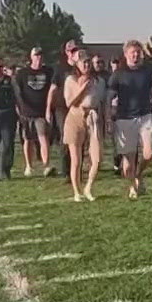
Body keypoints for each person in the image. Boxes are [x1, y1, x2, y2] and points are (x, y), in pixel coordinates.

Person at [108, 40, 152, 198]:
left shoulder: (147, 72)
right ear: (126, 55)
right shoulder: (118, 74)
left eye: (138, 52)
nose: (136, 55)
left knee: (149, 153)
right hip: (125, 119)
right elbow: (109, 96)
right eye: (133, 52)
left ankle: (138, 174)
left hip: (145, 116)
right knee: (128, 162)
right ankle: (133, 185)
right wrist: (109, 118)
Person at [63, 50, 106, 201]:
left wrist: (106, 121)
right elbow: (69, 103)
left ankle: (89, 186)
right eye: (83, 62)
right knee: (76, 159)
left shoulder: (99, 82)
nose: (86, 65)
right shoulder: (71, 80)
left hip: (93, 118)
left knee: (97, 157)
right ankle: (77, 191)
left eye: (88, 62)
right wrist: (82, 90)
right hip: (75, 117)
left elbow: (102, 102)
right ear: (77, 65)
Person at [15, 47, 60, 177]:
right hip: (26, 112)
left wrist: (50, 108)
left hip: (42, 112)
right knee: (27, 139)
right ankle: (29, 166)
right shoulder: (23, 73)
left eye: (40, 55)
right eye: (36, 55)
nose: (38, 57)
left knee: (43, 137)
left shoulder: (48, 72)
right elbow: (18, 92)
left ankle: (46, 165)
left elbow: (54, 87)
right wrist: (19, 108)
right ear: (31, 57)